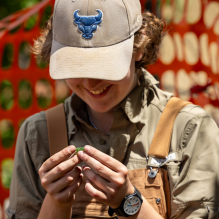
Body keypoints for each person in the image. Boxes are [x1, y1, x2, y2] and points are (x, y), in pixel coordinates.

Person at [6, 0, 219, 218]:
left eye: (104, 66)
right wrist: (57, 203)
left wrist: (129, 200)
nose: (90, 83)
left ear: (140, 47)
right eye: (75, 65)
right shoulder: (37, 135)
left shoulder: (190, 130)